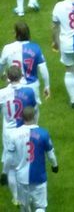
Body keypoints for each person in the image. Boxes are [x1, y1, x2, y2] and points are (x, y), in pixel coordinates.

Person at [7, 107, 57, 212]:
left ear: (22, 118)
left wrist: (5, 171)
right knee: (40, 207)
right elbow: (50, 154)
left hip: (21, 178)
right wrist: (54, 165)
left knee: (24, 207)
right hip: (39, 177)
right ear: (34, 116)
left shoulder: (14, 135)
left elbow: (9, 157)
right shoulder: (43, 133)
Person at [0, 67, 38, 205]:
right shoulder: (29, 91)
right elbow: (34, 110)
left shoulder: (2, 93)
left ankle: (16, 197)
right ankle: (31, 196)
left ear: (8, 78)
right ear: (21, 76)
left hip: (9, 132)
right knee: (26, 162)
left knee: (11, 166)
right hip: (25, 130)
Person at [0, 22, 51, 104]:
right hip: (32, 87)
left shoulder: (7, 48)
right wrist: (47, 86)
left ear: (16, 33)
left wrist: (2, 75)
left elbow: (1, 66)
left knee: (15, 113)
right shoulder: (35, 48)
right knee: (31, 114)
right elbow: (43, 69)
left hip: (13, 87)